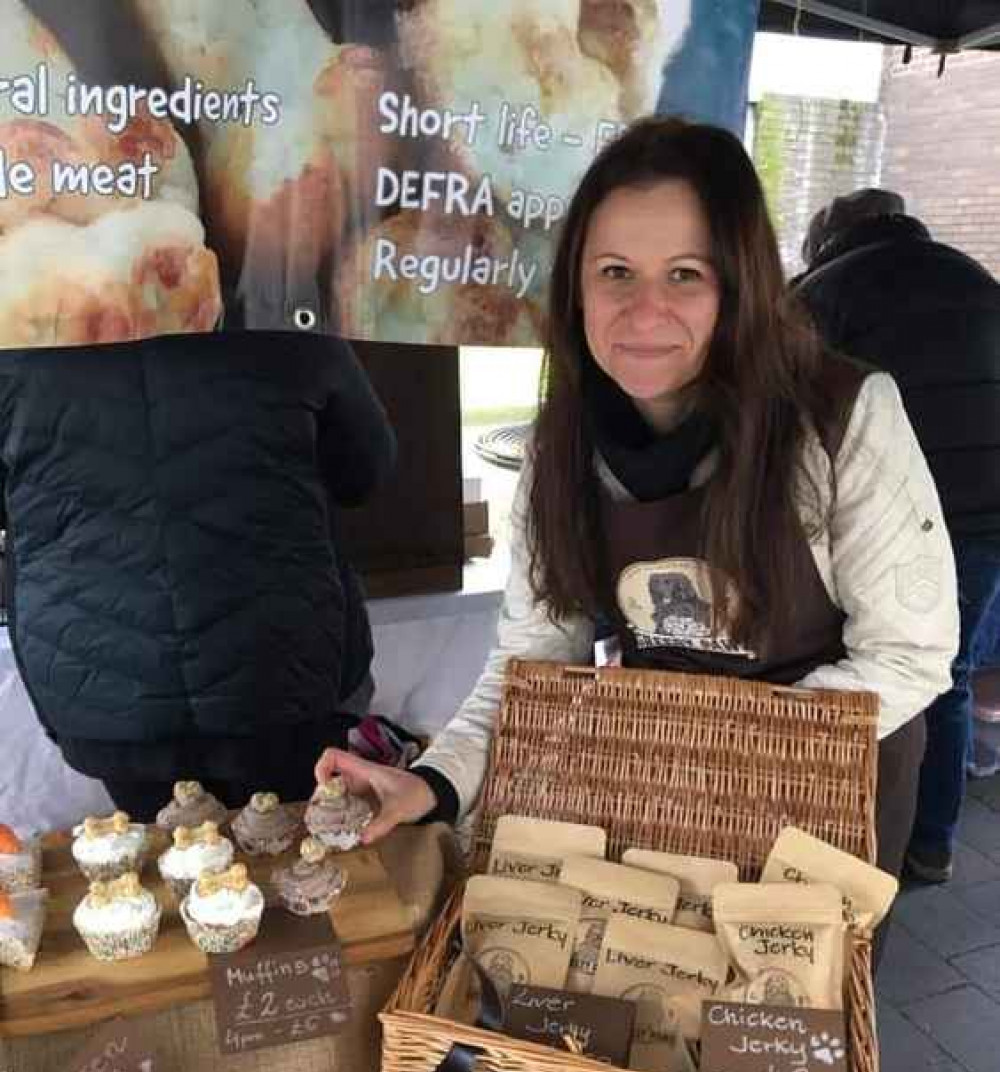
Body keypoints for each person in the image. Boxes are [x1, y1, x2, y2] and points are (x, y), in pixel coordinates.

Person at [315, 117, 958, 896]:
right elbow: (533, 657)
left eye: (685, 273)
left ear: (739, 284)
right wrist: (436, 782)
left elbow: (909, 656)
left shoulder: (842, 416)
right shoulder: (565, 444)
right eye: (616, 272)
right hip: (657, 798)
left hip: (823, 804)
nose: (645, 311)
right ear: (576, 286)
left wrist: (701, 755)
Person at [0, 330, 396, 820]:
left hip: (103, 678)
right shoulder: (284, 319)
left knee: (166, 869)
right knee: (299, 862)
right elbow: (365, 471)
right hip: (279, 669)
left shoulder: (20, 330)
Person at [798, 188, 1000, 884]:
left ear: (826, 240)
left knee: (864, 673)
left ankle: (842, 836)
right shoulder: (976, 279)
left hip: (880, 521)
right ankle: (932, 844)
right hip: (985, 522)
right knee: (942, 675)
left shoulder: (823, 293)